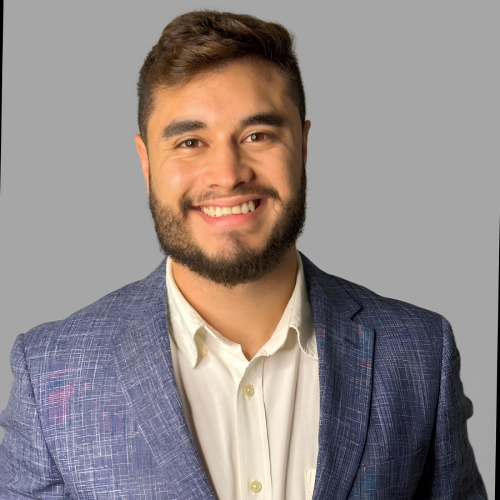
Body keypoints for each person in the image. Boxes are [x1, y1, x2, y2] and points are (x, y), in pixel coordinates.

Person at [0, 9, 487, 500]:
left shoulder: (420, 354)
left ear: (303, 145)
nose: (228, 174)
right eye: (190, 142)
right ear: (146, 162)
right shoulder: (51, 374)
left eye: (258, 136)